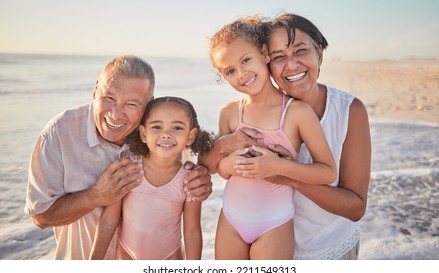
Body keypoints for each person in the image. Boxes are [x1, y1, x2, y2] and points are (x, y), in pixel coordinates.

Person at [201, 13, 371, 260]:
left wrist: (283, 172)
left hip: (325, 248)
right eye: (280, 56)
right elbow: (214, 167)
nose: (291, 65)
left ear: (319, 54)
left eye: (300, 51)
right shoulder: (231, 112)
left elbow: (354, 205)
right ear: (268, 57)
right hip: (240, 227)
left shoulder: (341, 111)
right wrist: (226, 151)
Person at [24, 55, 213, 260]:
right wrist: (95, 196)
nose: (115, 114)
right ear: (96, 89)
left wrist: (203, 176)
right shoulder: (59, 132)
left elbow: (186, 190)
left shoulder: (161, 136)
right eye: (109, 98)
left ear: (147, 104)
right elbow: (40, 217)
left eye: (131, 104)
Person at [90, 96, 214, 260]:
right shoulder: (128, 169)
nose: (166, 135)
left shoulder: (189, 180)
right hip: (127, 256)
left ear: (190, 136)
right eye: (157, 127)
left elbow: (191, 231)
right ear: (143, 133)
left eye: (177, 128)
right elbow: (109, 219)